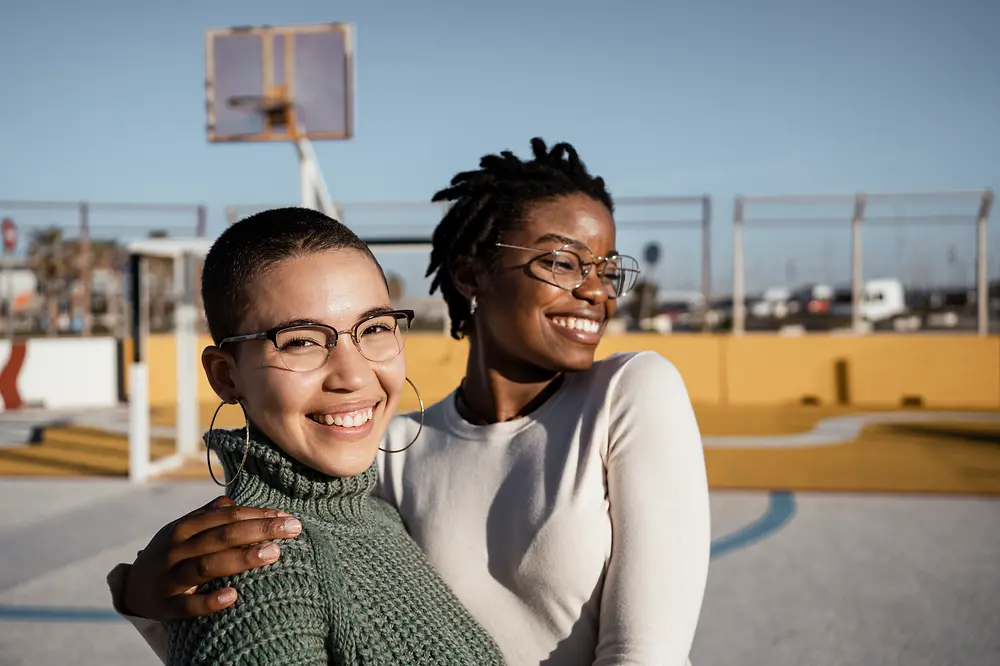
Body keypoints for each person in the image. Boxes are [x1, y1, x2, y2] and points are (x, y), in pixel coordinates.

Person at [108, 139, 711, 665]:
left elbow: (645, 655)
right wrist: (154, 602)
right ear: (471, 273)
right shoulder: (391, 448)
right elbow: (307, 609)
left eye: (606, 267)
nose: (597, 289)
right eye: (560, 260)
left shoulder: (630, 392)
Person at [128, 207, 506, 665]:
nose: (353, 374)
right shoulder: (258, 566)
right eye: (301, 340)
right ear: (226, 376)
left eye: (374, 328)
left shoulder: (377, 515)